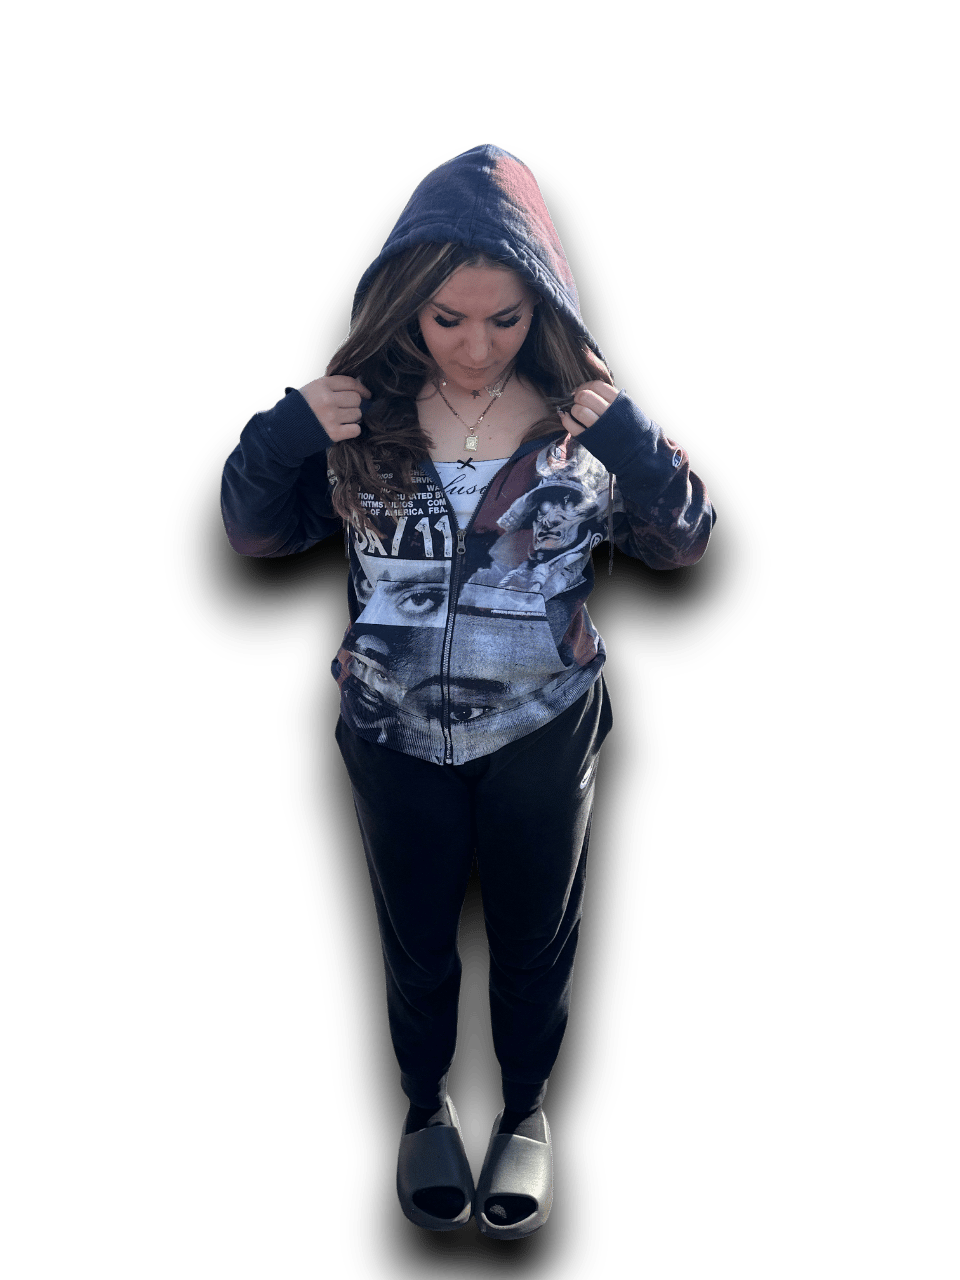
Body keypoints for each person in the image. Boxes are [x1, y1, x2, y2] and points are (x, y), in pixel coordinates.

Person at [220, 143, 716, 1240]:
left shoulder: (586, 421)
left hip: (545, 725)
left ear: (543, 307)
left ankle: (527, 1112)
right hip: (386, 729)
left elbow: (685, 540)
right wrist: (287, 424)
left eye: (505, 319)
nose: (478, 345)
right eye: (448, 318)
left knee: (538, 939)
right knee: (414, 939)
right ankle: (424, 1106)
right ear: (406, 303)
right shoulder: (364, 415)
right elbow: (253, 533)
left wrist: (629, 432)